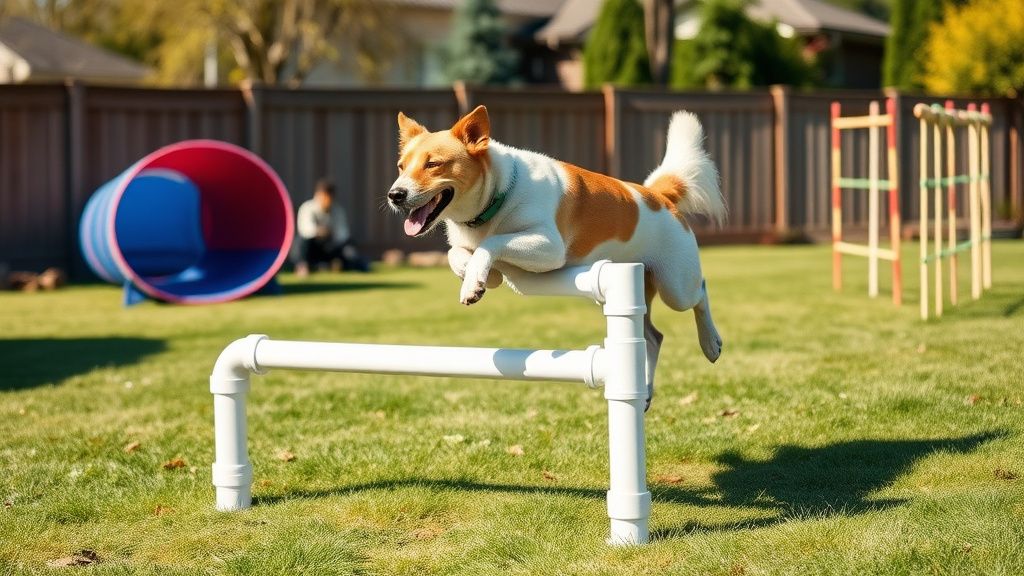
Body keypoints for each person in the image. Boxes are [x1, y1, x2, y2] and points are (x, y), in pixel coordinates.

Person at [292, 179, 369, 276]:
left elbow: (343, 235)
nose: (326, 201)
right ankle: (302, 266)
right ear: (317, 195)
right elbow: (305, 231)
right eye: (324, 197)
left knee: (349, 246)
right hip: (312, 248)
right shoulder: (307, 207)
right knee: (301, 241)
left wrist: (331, 234)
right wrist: (320, 232)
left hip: (329, 247)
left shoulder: (337, 211)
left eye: (329, 197)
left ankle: (355, 264)